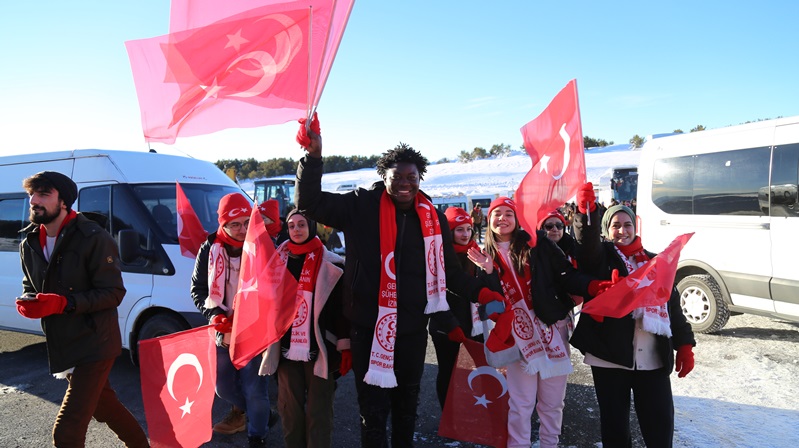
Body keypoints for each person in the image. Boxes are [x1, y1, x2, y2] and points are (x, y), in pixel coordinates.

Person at [294, 115, 502, 448]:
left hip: (411, 331)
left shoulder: (431, 218)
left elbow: (448, 271)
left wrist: (483, 292)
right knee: (372, 414)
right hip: (367, 328)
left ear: (420, 179)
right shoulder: (359, 205)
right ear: (384, 178)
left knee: (406, 409)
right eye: (397, 177)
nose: (405, 183)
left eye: (412, 177)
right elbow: (309, 203)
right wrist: (313, 158)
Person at [16, 171, 149, 448]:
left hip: (96, 342)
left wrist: (64, 303)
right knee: (106, 407)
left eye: (43, 194)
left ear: (64, 201)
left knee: (67, 433)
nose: (34, 200)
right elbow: (31, 284)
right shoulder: (29, 242)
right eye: (32, 194)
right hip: (64, 343)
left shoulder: (93, 237)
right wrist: (30, 301)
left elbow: (114, 293)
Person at [571, 182, 697, 448]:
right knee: (615, 427)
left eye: (627, 224)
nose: (622, 230)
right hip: (609, 357)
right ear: (607, 230)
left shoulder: (654, 262)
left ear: (635, 227)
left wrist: (685, 344)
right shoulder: (600, 259)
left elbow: (672, 305)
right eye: (615, 225)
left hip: (652, 356)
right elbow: (586, 244)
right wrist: (586, 213)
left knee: (660, 424)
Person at [472, 197, 597, 448]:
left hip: (553, 329)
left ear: (517, 219)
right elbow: (491, 309)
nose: (503, 218)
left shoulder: (538, 244)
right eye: (497, 213)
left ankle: (550, 444)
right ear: (488, 219)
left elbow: (566, 275)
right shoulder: (482, 256)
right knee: (521, 403)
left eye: (509, 213)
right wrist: (489, 272)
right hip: (518, 337)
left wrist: (592, 286)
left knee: (553, 402)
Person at [259, 209, 352, 448]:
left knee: (319, 411)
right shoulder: (277, 262)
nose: (296, 230)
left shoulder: (333, 263)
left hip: (320, 347)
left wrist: (344, 342)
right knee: (289, 410)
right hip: (285, 349)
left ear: (311, 227)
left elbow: (342, 309)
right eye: (291, 226)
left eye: (301, 224)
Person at [191, 193, 273, 448]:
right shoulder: (209, 248)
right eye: (235, 224)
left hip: (254, 328)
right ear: (223, 225)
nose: (242, 229)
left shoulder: (262, 244)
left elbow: (275, 288)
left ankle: (257, 435)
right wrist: (215, 316)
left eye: (247, 222)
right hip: (222, 328)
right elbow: (198, 290)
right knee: (223, 387)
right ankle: (261, 413)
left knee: (254, 388)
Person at [429, 206, 484, 409]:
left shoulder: (477, 253)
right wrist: (450, 324)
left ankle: (470, 411)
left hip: (475, 325)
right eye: (459, 229)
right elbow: (433, 294)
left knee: (474, 371)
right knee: (448, 372)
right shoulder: (438, 255)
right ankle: (448, 413)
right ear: (449, 231)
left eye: (469, 229)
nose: (465, 234)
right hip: (446, 327)